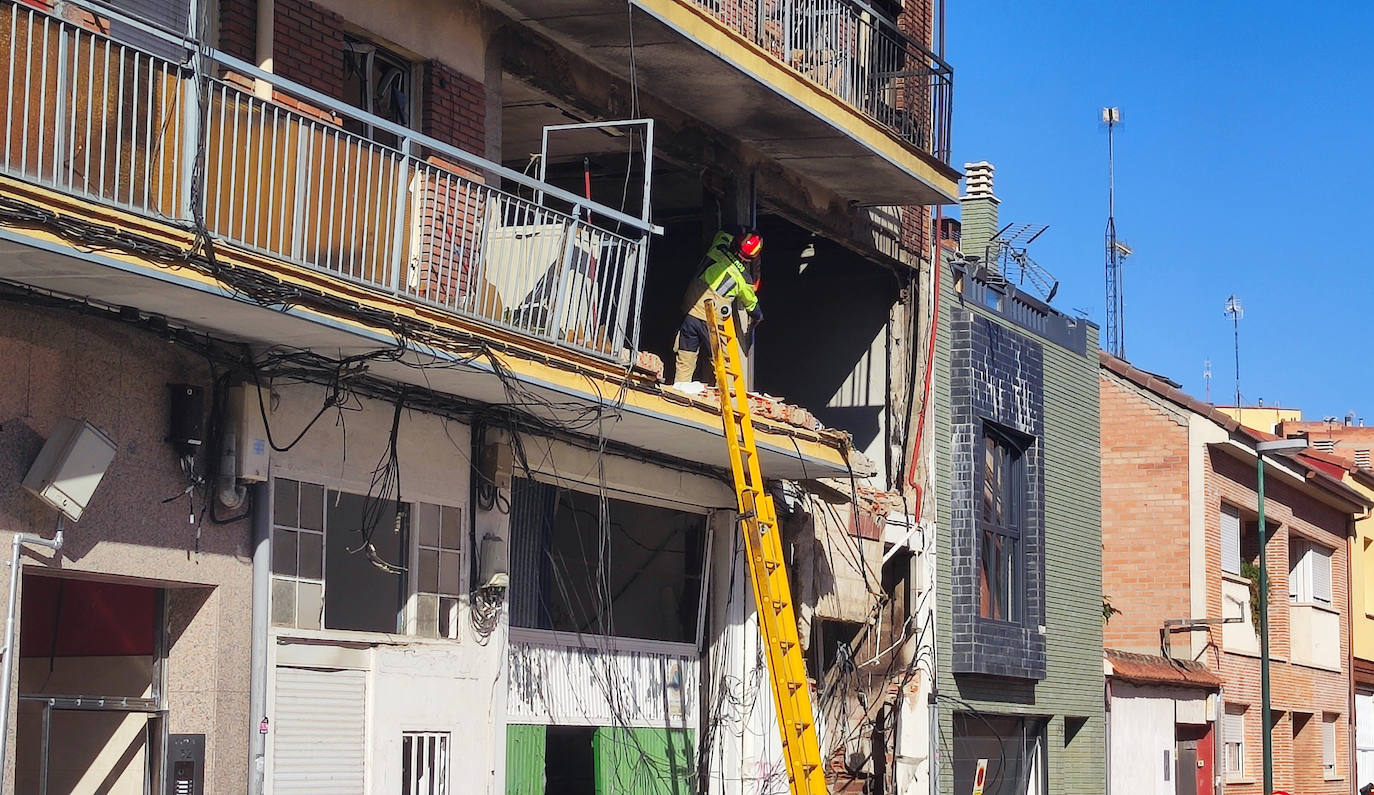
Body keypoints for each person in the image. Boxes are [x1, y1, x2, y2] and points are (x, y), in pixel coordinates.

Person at [673, 227, 764, 384]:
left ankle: (678, 392)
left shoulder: (719, 245)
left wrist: (745, 231)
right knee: (723, 367)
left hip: (690, 313)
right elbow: (752, 306)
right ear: (751, 258)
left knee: (685, 360)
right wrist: (759, 317)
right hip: (711, 323)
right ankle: (726, 403)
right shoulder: (743, 278)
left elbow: (725, 233)